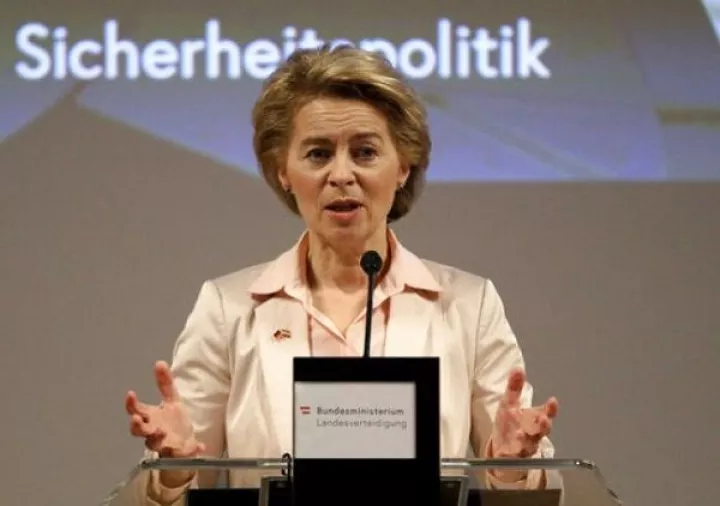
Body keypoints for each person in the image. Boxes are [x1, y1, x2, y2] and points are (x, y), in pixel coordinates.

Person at [124, 44, 560, 505]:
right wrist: (173, 469)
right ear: (283, 171)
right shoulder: (228, 309)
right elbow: (175, 492)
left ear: (403, 167)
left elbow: (529, 492)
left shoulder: (469, 306)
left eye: (365, 152)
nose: (341, 175)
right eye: (317, 154)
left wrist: (513, 467)